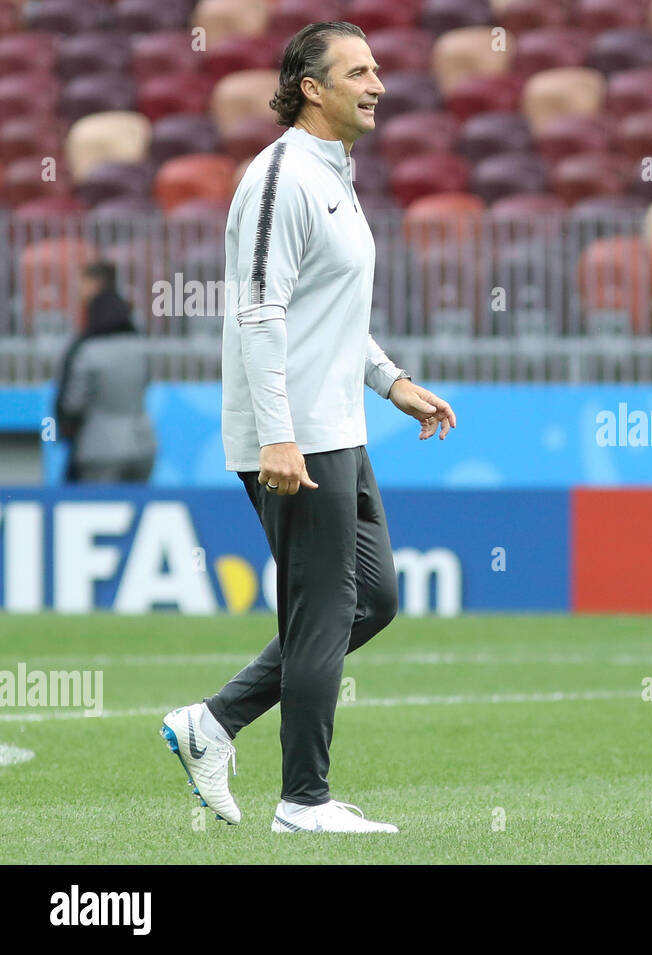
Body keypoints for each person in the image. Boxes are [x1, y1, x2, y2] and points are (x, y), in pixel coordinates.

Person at [159, 21, 456, 834]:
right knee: (324, 611)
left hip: (341, 427)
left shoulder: (334, 172)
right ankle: (304, 800)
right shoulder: (280, 175)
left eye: (379, 68)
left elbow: (326, 313)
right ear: (312, 87)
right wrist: (277, 436)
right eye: (359, 71)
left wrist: (391, 381)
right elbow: (259, 310)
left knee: (375, 599)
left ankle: (213, 723)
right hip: (296, 439)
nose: (379, 84)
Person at [53, 262, 157, 483]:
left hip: (98, 448)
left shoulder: (88, 351)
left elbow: (73, 403)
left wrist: (64, 428)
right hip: (144, 444)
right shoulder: (140, 347)